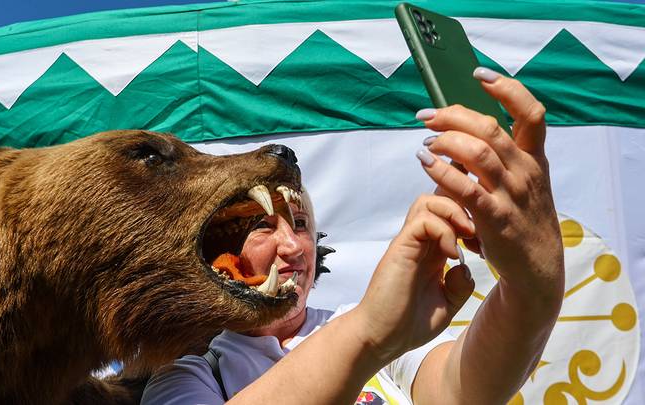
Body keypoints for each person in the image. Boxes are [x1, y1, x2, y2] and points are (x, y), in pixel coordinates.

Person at [141, 68, 564, 404]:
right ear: (219, 254)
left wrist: (532, 286)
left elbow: (462, 392)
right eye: (262, 226)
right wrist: (368, 331)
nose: (293, 247)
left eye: (301, 224)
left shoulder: (352, 321)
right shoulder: (191, 373)